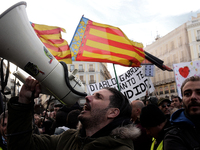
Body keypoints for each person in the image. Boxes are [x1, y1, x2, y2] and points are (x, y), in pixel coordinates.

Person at [7, 76, 141, 150]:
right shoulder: (68, 138)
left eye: (98, 97)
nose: (88, 97)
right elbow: (22, 145)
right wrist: (23, 102)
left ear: (112, 112)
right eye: (91, 95)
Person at [164, 76, 200, 149]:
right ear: (182, 99)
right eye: (187, 94)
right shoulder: (173, 137)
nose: (193, 97)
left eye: (199, 93)